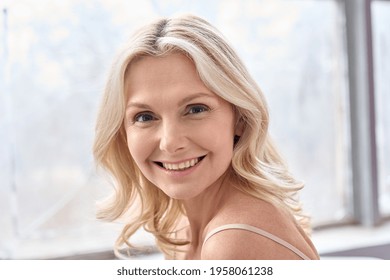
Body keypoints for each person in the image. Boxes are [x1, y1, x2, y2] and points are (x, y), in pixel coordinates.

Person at [93, 14, 319, 260]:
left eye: (196, 109)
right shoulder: (184, 225)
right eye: (145, 117)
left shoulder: (235, 241)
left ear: (241, 119)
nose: (170, 142)